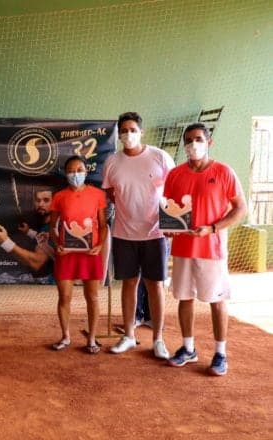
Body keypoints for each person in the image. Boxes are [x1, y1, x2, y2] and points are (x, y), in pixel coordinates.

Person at [164, 123, 246, 376]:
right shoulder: (175, 174)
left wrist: (212, 228)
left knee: (217, 300)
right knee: (184, 297)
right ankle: (188, 348)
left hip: (212, 248)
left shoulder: (224, 172)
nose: (193, 144)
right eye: (189, 140)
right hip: (183, 248)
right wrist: (168, 228)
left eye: (198, 139)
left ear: (209, 142)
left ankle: (220, 353)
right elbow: (169, 209)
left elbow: (240, 209)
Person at [102, 111, 174, 359]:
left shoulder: (159, 157)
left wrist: (171, 222)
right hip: (124, 234)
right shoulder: (112, 162)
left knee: (155, 285)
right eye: (123, 130)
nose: (128, 134)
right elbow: (110, 193)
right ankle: (129, 336)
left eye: (132, 130)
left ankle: (158, 340)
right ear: (118, 134)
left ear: (141, 132)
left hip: (155, 234)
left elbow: (173, 190)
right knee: (129, 283)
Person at [48, 156, 107, 353]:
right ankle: (65, 336)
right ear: (66, 174)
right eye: (71, 171)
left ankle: (92, 339)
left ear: (86, 171)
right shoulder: (59, 197)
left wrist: (99, 245)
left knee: (93, 297)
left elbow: (103, 225)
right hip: (66, 253)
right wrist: (57, 243)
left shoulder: (97, 194)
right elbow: (52, 227)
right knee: (64, 297)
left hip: (91, 253)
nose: (76, 174)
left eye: (79, 170)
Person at [0, 187, 55, 275]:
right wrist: (28, 232)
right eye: (38, 200)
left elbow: (37, 263)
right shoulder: (46, 224)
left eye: (46, 200)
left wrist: (5, 242)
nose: (40, 204)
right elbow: (46, 241)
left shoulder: (54, 227)